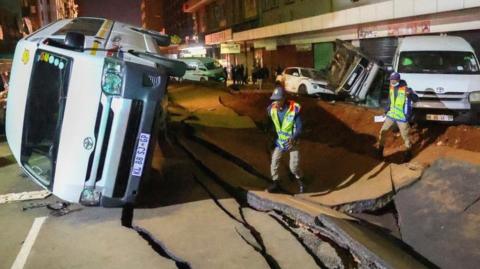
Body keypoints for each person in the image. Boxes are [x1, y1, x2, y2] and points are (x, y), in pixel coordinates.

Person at [266, 86, 304, 193]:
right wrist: (270, 135)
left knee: (294, 166)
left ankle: (301, 179)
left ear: (284, 99)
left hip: (292, 142)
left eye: (278, 99)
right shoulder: (272, 109)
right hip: (280, 141)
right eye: (275, 99)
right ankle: (276, 182)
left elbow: (300, 127)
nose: (276, 102)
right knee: (274, 162)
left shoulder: (293, 110)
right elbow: (270, 123)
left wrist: (293, 138)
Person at [378, 72, 418, 162]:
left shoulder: (406, 89)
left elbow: (416, 99)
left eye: (393, 80)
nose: (391, 81)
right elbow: (390, 100)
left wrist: (410, 94)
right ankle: (380, 151)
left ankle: (408, 152)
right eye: (391, 80)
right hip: (391, 115)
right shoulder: (391, 87)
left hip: (402, 117)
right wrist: (386, 111)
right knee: (382, 132)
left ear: (398, 80)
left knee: (405, 136)